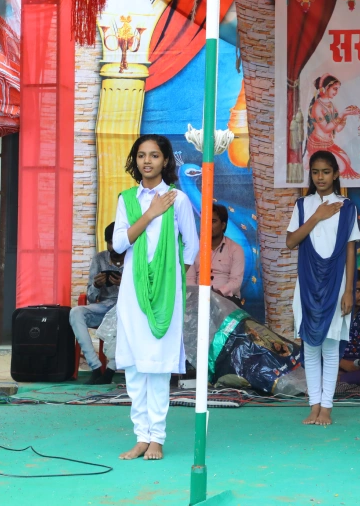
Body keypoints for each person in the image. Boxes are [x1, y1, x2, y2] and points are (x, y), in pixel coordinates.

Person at [112, 134, 199, 461]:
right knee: (135, 366)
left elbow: (191, 246)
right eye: (141, 155)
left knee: (159, 365)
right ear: (135, 161)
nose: (147, 161)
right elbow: (119, 244)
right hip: (132, 292)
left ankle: (157, 438)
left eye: (154, 155)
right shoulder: (127, 200)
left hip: (166, 293)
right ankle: (141, 437)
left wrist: (171, 279)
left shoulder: (178, 199)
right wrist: (149, 214)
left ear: (165, 161)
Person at [286, 150, 360, 426]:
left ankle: (327, 407)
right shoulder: (303, 205)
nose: (320, 177)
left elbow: (351, 250)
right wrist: (317, 216)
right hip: (307, 285)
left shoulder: (347, 207)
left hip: (336, 284)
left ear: (336, 174)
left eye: (326, 172)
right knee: (310, 346)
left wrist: (349, 291)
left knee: (330, 348)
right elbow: (291, 241)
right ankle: (313, 405)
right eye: (316, 172)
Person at [71, 222, 123, 385]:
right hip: (104, 307)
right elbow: (92, 298)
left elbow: (142, 293)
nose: (112, 247)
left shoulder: (135, 259)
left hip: (125, 309)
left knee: (126, 316)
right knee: (76, 312)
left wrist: (123, 284)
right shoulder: (99, 259)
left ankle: (110, 371)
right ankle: (96, 368)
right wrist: (96, 285)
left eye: (116, 242)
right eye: (109, 242)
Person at [304, 74, 360, 179]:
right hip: (317, 144)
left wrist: (345, 116)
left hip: (329, 144)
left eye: (338, 89)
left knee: (347, 162)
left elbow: (337, 129)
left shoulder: (331, 105)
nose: (336, 92)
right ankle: (310, 162)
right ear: (326, 88)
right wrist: (342, 115)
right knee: (341, 168)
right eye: (334, 89)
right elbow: (326, 129)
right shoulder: (317, 106)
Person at [187, 203, 245, 303]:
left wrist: (217, 294)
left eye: (213, 221)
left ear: (223, 225)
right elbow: (189, 279)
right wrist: (199, 297)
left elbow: (236, 282)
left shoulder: (236, 249)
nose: (208, 225)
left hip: (226, 299)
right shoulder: (193, 248)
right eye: (205, 221)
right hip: (197, 299)